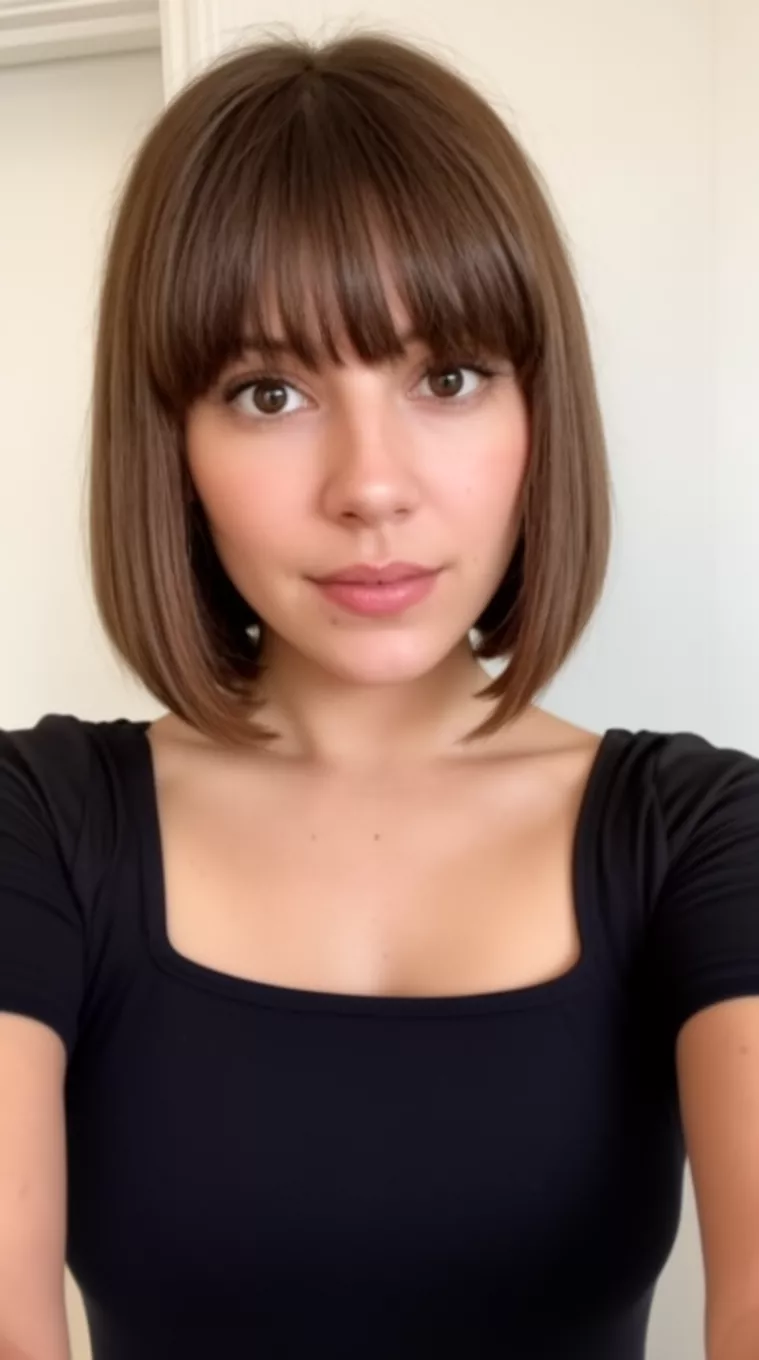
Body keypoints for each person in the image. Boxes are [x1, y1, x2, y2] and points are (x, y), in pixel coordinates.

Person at [1, 27, 758, 1360]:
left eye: (447, 377)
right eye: (270, 390)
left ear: (539, 414)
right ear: (171, 444)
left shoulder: (699, 833)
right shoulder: (38, 828)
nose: (371, 484)